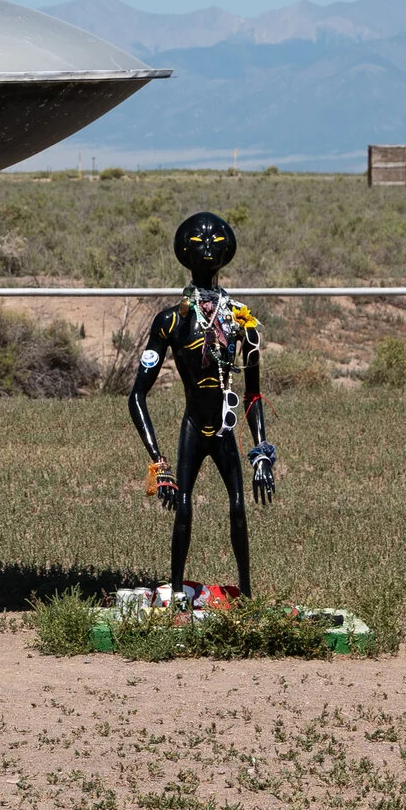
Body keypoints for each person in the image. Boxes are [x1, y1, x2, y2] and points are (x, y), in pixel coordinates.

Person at [126, 211, 276, 599]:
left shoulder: (242, 322)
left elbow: (253, 394)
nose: (207, 247)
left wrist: (261, 453)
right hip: (194, 425)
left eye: (215, 241)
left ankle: (246, 596)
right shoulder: (170, 322)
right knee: (184, 508)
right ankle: (178, 595)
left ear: (226, 251)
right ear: (184, 252)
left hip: (224, 427)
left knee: (238, 508)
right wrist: (159, 464)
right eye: (198, 242)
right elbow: (137, 395)